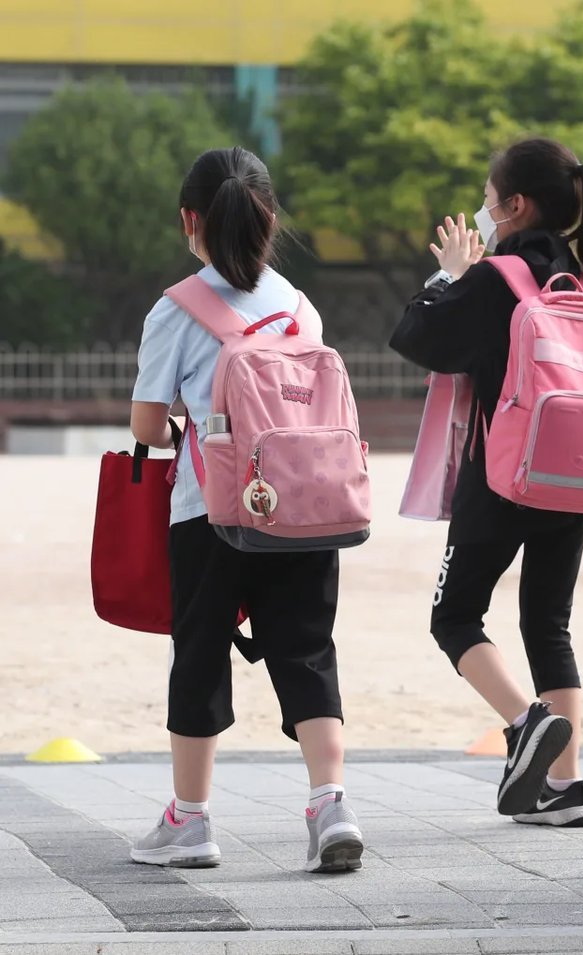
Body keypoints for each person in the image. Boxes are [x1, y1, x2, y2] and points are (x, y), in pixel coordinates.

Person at [389, 138, 583, 827]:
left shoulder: (496, 277)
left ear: (515, 205)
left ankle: (524, 721)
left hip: (503, 477)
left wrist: (449, 274)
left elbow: (416, 335)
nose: (482, 206)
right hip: (579, 476)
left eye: (489, 194)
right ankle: (563, 787)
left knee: (455, 615)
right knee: (548, 622)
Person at [128, 147, 363, 873]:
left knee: (198, 654)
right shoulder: (300, 305)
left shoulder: (177, 309)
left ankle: (190, 820)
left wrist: (178, 429)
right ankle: (330, 805)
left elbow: (146, 426)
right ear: (268, 218)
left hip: (212, 511)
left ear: (188, 221)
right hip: (304, 509)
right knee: (307, 651)